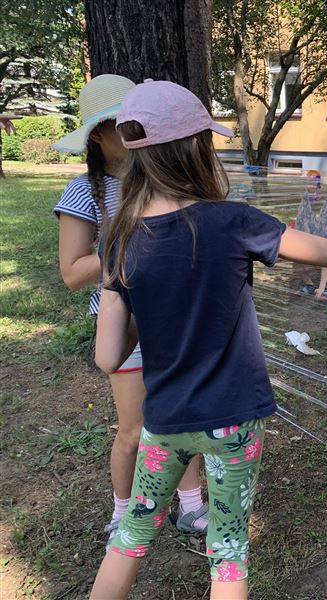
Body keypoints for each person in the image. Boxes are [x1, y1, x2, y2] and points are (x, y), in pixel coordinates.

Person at [89, 79, 327, 599]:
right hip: (233, 422)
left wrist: (144, 299)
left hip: (166, 422)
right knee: (229, 550)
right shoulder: (234, 221)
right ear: (196, 149)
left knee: (130, 539)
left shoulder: (118, 241)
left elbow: (108, 357)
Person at [52, 75, 208, 542]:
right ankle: (122, 514)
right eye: (120, 122)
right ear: (97, 135)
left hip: (177, 318)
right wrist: (130, 242)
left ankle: (191, 506)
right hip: (126, 324)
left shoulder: (164, 179)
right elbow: (72, 272)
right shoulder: (86, 192)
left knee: (183, 416)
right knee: (136, 428)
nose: (133, 127)